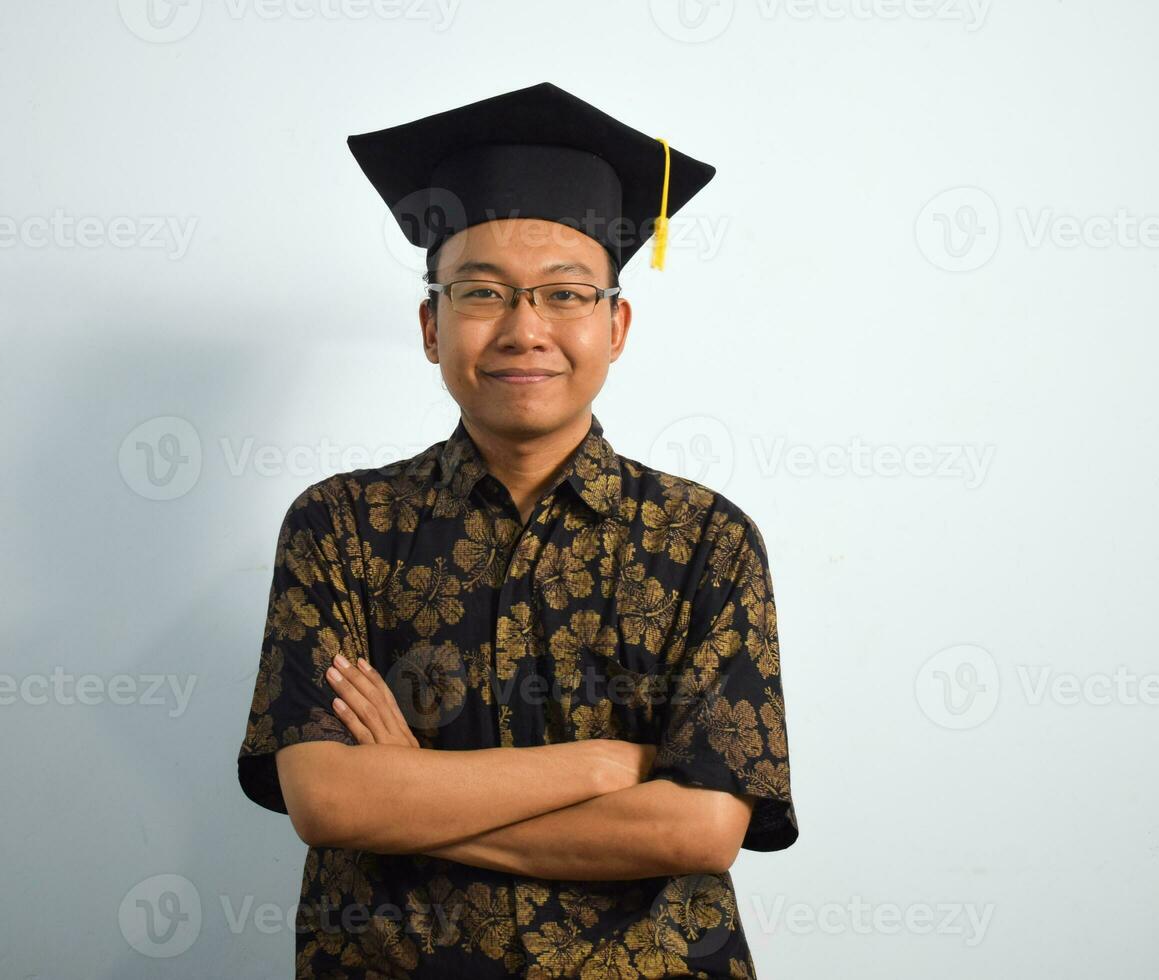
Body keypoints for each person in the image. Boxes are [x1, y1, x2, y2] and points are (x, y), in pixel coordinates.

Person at [237, 80, 798, 978]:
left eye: (566, 295)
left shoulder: (707, 542)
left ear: (616, 326)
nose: (525, 328)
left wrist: (415, 796)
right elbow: (333, 803)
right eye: (484, 292)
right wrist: (607, 766)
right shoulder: (339, 527)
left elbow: (699, 829)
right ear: (431, 325)